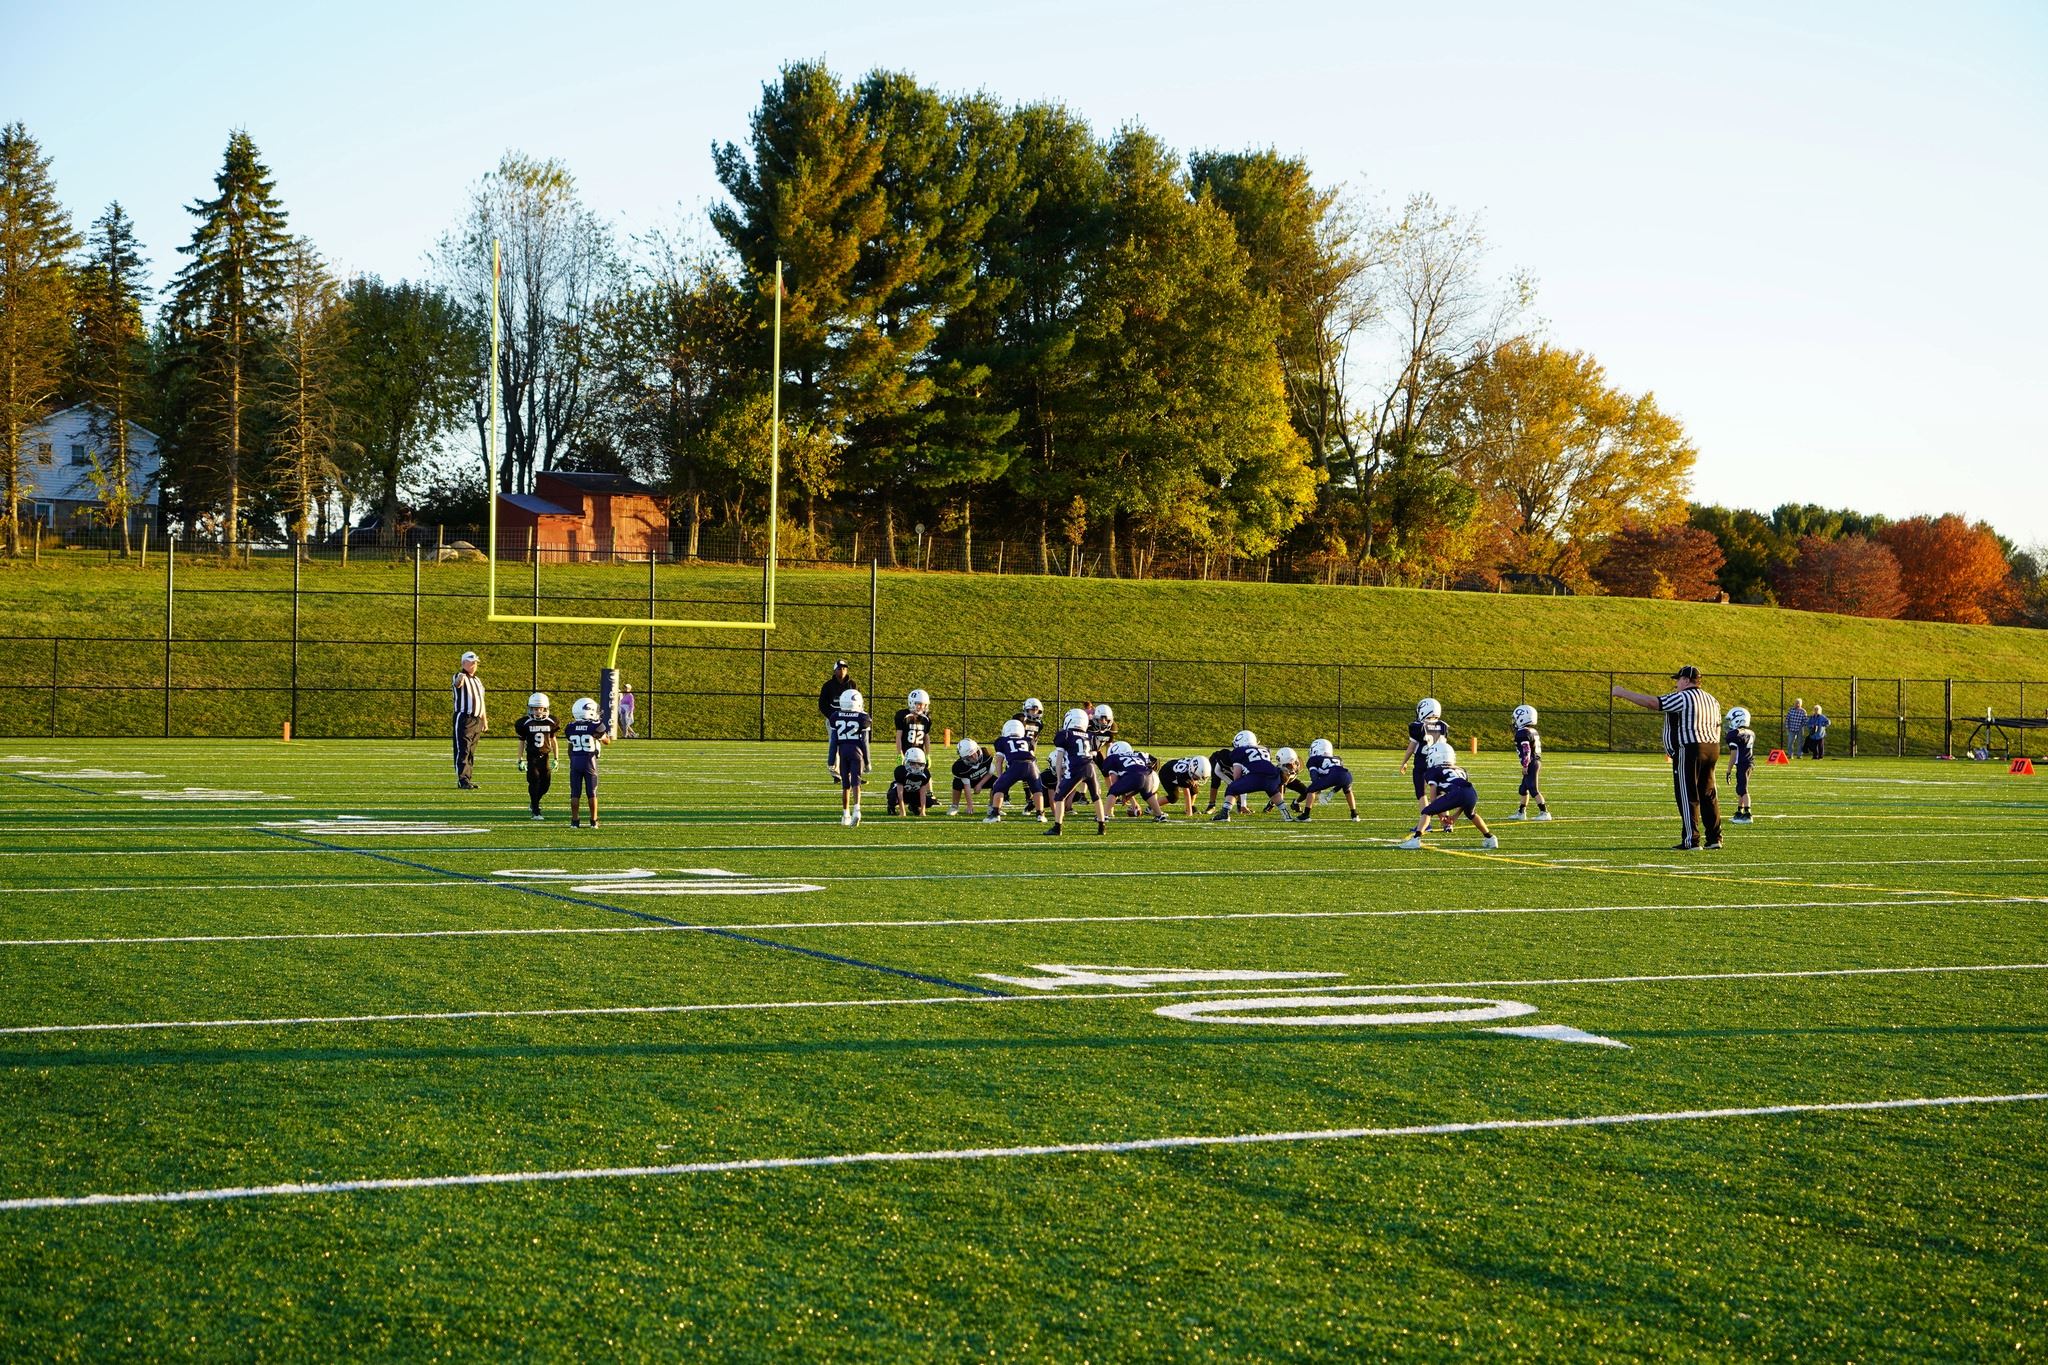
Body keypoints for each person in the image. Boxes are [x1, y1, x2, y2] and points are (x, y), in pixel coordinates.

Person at [1613, 665, 1724, 850]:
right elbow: (1718, 725)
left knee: (1687, 795)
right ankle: (1714, 838)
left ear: (1686, 680)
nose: (1676, 684)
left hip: (1690, 749)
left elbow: (1653, 703)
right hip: (1712, 747)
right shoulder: (1712, 699)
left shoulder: (1683, 697)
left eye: (1678, 680)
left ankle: (1691, 840)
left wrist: (1622, 692)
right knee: (1708, 794)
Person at [1396, 739, 1498, 850]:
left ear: (1435, 756)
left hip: (1457, 793)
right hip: (1471, 792)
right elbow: (1463, 798)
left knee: (1427, 811)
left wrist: (1439, 813)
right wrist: (1454, 817)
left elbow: (1433, 794)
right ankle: (1490, 838)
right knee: (1471, 814)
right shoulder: (1461, 770)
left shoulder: (1433, 770)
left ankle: (1415, 840)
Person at [1045, 707, 1107, 836]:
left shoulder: (1065, 735)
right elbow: (1093, 755)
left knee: (1059, 797)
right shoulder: (1090, 736)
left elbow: (1060, 758)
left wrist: (1058, 780)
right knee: (1096, 797)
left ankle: (1057, 827)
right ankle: (1102, 827)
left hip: (1075, 767)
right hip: (1090, 767)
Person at [1212, 730, 1288, 822]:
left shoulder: (1239, 751)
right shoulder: (1265, 749)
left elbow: (1237, 776)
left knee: (1232, 788)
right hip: (1274, 775)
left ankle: (1225, 813)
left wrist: (1238, 786)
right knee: (1273, 791)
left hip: (1256, 776)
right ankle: (1287, 815)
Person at [1400, 698, 1452, 830]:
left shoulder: (1418, 727)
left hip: (1422, 762)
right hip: (1438, 763)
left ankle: (1426, 823)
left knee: (1422, 793)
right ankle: (1446, 824)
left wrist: (1404, 762)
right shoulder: (1443, 726)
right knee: (1439, 794)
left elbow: (1411, 748)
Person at [983, 718, 1045, 823]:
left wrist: (1000, 777)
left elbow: (999, 761)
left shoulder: (1002, 741)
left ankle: (995, 814)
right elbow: (1032, 755)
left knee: (998, 788)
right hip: (1032, 765)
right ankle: (1040, 815)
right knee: (1037, 790)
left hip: (1016, 765)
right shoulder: (1028, 740)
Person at [563, 696, 611, 828]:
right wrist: (604, 736)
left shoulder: (570, 727)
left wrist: (573, 760)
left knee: (575, 793)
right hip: (590, 761)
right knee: (592, 792)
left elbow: (570, 748)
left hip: (575, 760)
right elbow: (607, 741)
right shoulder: (595, 726)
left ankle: (574, 821)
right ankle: (594, 820)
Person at [828, 685, 872, 826]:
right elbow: (864, 742)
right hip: (856, 752)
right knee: (856, 782)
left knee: (845, 784)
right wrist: (867, 760)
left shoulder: (836, 716)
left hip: (843, 751)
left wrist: (830, 760)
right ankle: (857, 809)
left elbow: (833, 741)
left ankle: (845, 814)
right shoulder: (862, 717)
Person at [513, 692, 559, 820]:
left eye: (540, 708)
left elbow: (554, 741)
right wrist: (520, 759)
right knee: (534, 782)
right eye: (534, 708)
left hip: (545, 757)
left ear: (545, 708)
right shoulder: (525, 723)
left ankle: (534, 802)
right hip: (532, 757)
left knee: (545, 785)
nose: (537, 711)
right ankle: (536, 809)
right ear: (530, 708)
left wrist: (556, 758)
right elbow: (521, 742)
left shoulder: (551, 722)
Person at [1288, 739, 1358, 821]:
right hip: (1347, 775)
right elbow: (1341, 777)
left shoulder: (1313, 759)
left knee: (1311, 789)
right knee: (1348, 790)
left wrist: (1316, 787)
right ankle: (1355, 815)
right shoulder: (1338, 759)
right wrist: (1333, 791)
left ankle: (1306, 815)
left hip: (1333, 776)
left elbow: (1314, 775)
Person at [1102, 741, 1170, 822]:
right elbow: (1156, 762)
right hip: (1149, 775)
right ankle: (1159, 815)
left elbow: (1115, 781)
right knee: (1147, 794)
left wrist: (1121, 792)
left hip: (1133, 776)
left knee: (1113, 791)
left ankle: (1104, 815)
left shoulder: (1113, 758)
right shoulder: (1140, 754)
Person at [451, 650, 487, 789]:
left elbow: (481, 701)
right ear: (463, 663)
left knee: (471, 750)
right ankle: (462, 779)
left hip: (477, 719)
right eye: (471, 663)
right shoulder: (460, 676)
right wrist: (460, 678)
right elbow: (458, 683)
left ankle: (468, 778)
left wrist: (484, 720)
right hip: (464, 718)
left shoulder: (477, 680)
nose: (474, 665)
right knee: (463, 749)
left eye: (475, 663)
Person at [1508, 704, 1551, 820]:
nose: (1514, 721)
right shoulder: (1532, 731)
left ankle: (1545, 812)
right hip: (1534, 761)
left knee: (1533, 788)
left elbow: (1526, 750)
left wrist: (1525, 764)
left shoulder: (1522, 732)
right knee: (1523, 788)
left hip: (1531, 762)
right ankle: (1521, 812)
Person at [818, 660, 854, 769]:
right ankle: (835, 772)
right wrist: (831, 716)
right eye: (839, 669)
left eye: (844, 668)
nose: (842, 671)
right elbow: (822, 704)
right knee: (835, 745)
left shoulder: (852, 684)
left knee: (852, 746)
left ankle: (853, 773)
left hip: (850, 719)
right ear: (834, 671)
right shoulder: (828, 685)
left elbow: (858, 701)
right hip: (834, 719)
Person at [1724, 705, 1757, 823]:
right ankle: (1739, 811)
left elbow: (1734, 754)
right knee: (1741, 787)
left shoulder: (1735, 734)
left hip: (1743, 763)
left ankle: (1748, 814)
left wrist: (1728, 770)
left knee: (1743, 789)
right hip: (1748, 762)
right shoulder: (1750, 732)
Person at [951, 737, 995, 816]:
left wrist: (980, 784)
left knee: (997, 782)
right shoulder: (960, 766)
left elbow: (990, 772)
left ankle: (992, 807)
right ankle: (954, 806)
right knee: (957, 782)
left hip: (983, 778)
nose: (973, 757)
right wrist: (970, 805)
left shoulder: (987, 754)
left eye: (973, 754)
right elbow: (966, 785)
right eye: (968, 757)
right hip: (969, 780)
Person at [888, 746, 935, 816]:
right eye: (913, 763)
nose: (916, 766)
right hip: (901, 792)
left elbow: (922, 793)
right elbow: (900, 793)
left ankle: (913, 806)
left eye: (919, 764)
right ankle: (891, 807)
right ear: (906, 761)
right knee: (893, 797)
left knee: (929, 802)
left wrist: (923, 811)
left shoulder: (925, 773)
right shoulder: (901, 771)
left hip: (914, 793)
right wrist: (902, 812)